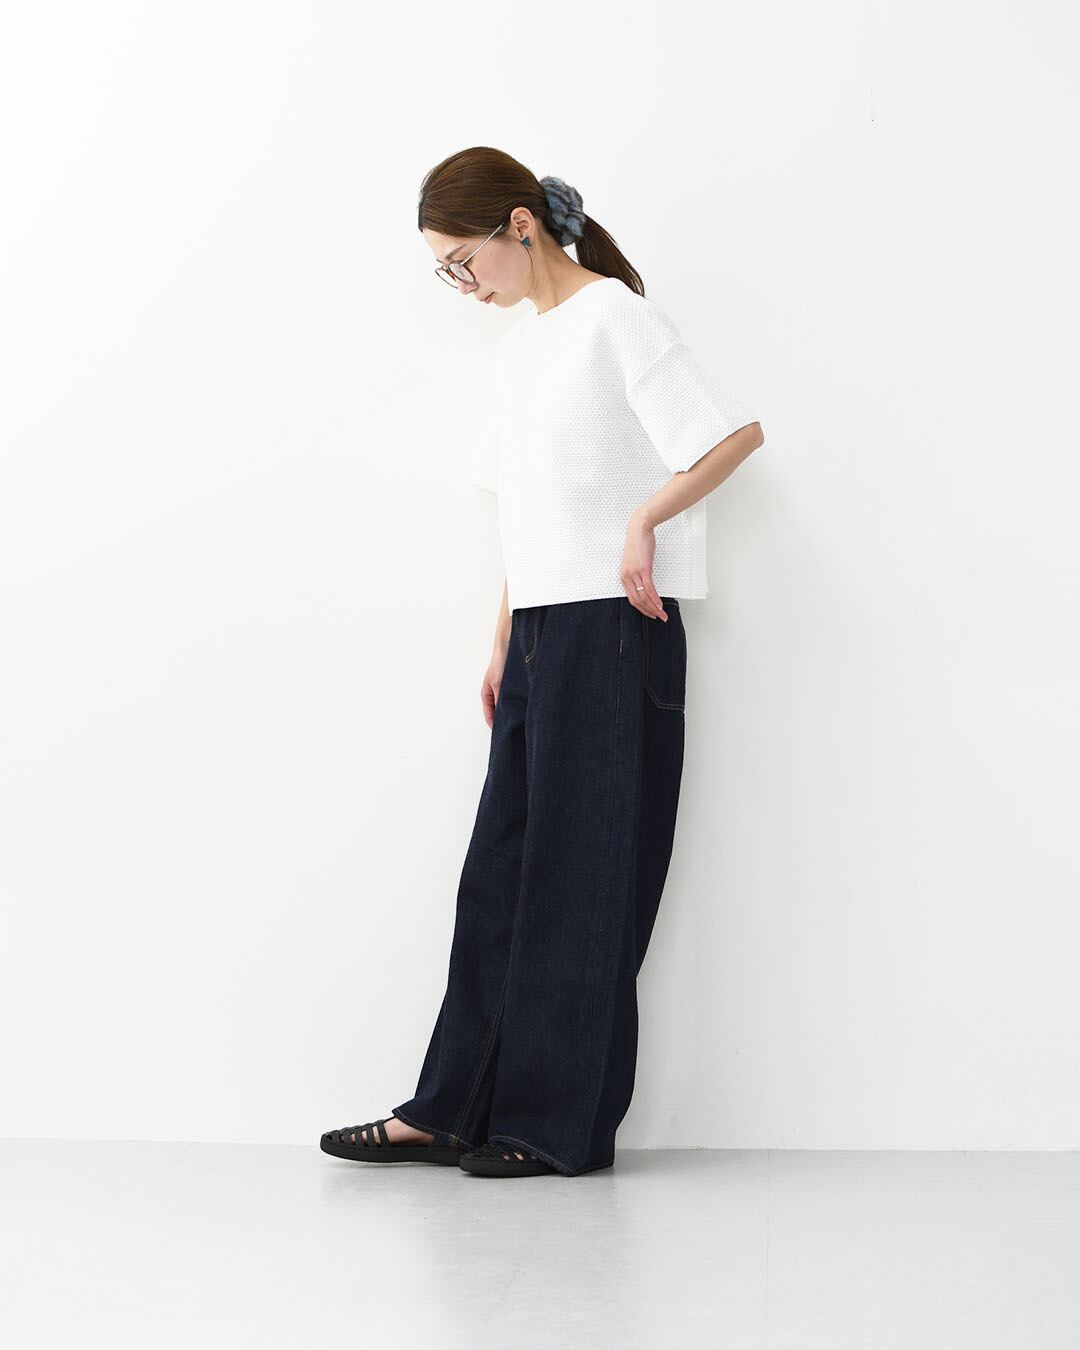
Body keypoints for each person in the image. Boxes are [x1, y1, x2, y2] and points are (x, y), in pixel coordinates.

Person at [321, 147, 764, 1178]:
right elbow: (529, 508)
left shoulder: (616, 317)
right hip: (540, 631)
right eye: (444, 271)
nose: (460, 284)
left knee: (585, 876)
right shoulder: (522, 349)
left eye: (461, 261)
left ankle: (554, 1126)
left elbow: (731, 436)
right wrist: (503, 634)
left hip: (616, 627)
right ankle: (450, 1108)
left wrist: (644, 520)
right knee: (503, 872)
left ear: (519, 225)